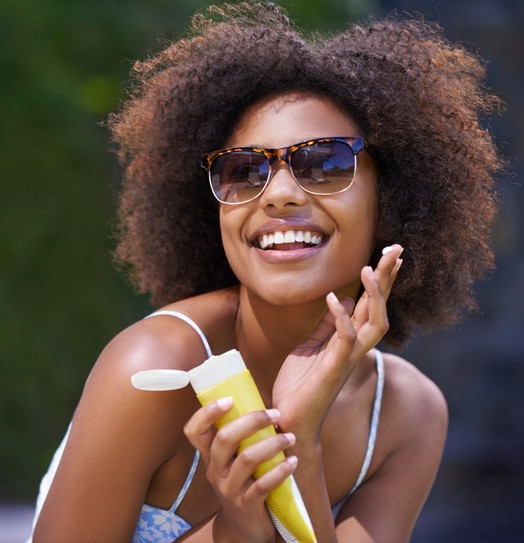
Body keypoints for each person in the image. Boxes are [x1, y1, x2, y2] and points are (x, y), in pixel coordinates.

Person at [28, 2, 502, 541]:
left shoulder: (406, 417)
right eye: (243, 170)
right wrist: (234, 529)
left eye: (325, 163)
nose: (277, 194)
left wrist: (301, 434)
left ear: (391, 196)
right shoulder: (154, 370)